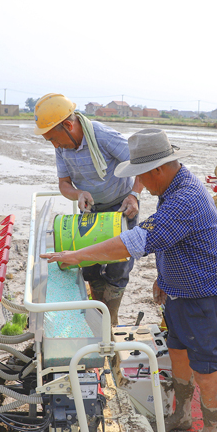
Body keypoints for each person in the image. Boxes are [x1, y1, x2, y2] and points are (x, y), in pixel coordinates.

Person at [41, 128, 217, 432]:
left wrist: (77, 255)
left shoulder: (185, 199)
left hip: (204, 298)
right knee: (177, 353)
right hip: (179, 294)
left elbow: (134, 242)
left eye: (141, 177)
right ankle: (181, 414)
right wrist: (164, 278)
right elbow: (173, 242)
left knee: (206, 370)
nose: (140, 184)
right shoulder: (171, 188)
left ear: (157, 169)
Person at [34, 94, 142, 325]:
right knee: (89, 266)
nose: (54, 145)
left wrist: (134, 195)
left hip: (120, 208)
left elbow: (142, 165)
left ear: (68, 125)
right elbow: (64, 184)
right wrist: (78, 194)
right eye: (49, 141)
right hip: (92, 210)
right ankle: (97, 315)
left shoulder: (103, 136)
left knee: (117, 267)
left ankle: (109, 321)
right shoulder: (62, 146)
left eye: (54, 138)